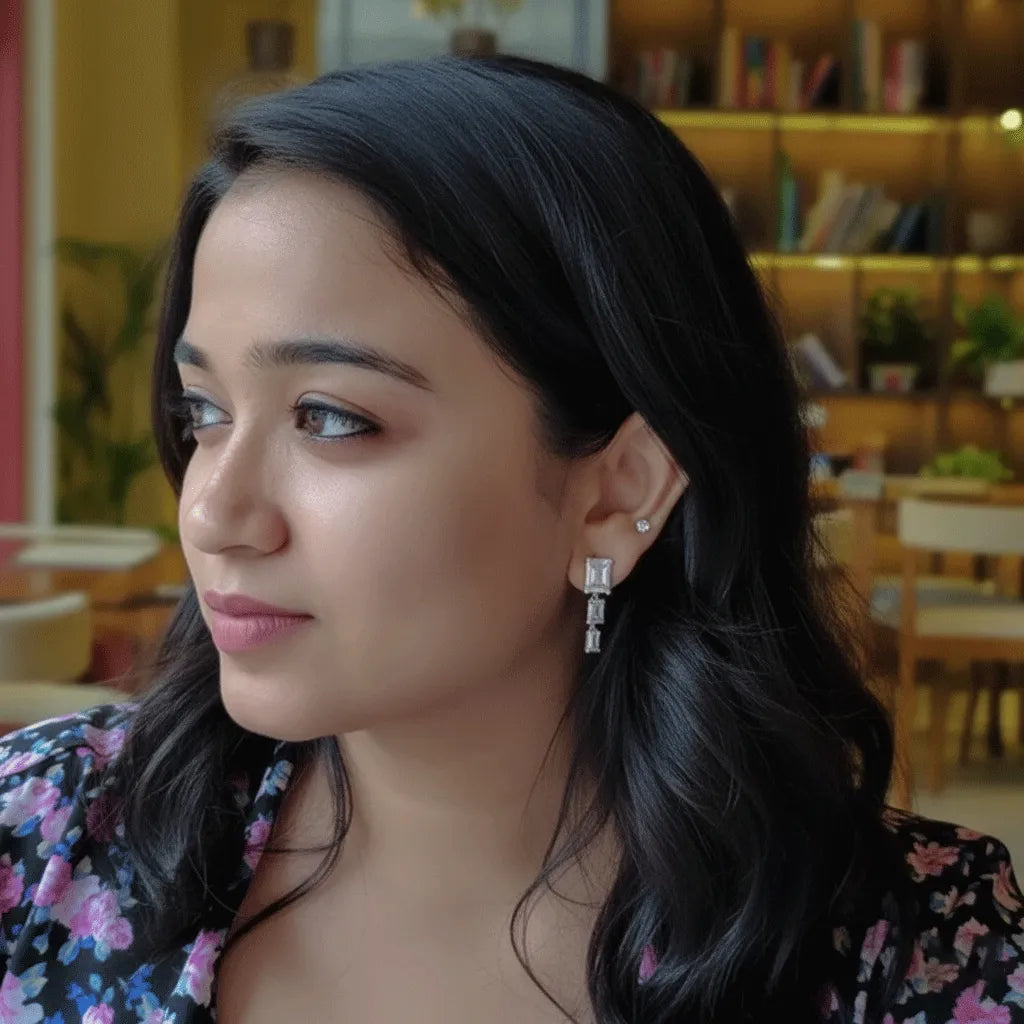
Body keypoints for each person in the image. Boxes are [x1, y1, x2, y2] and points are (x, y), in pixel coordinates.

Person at [0, 56, 1020, 1024]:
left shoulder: (919, 953)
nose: (213, 513)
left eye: (331, 417)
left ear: (619, 493)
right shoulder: (41, 840)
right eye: (202, 412)